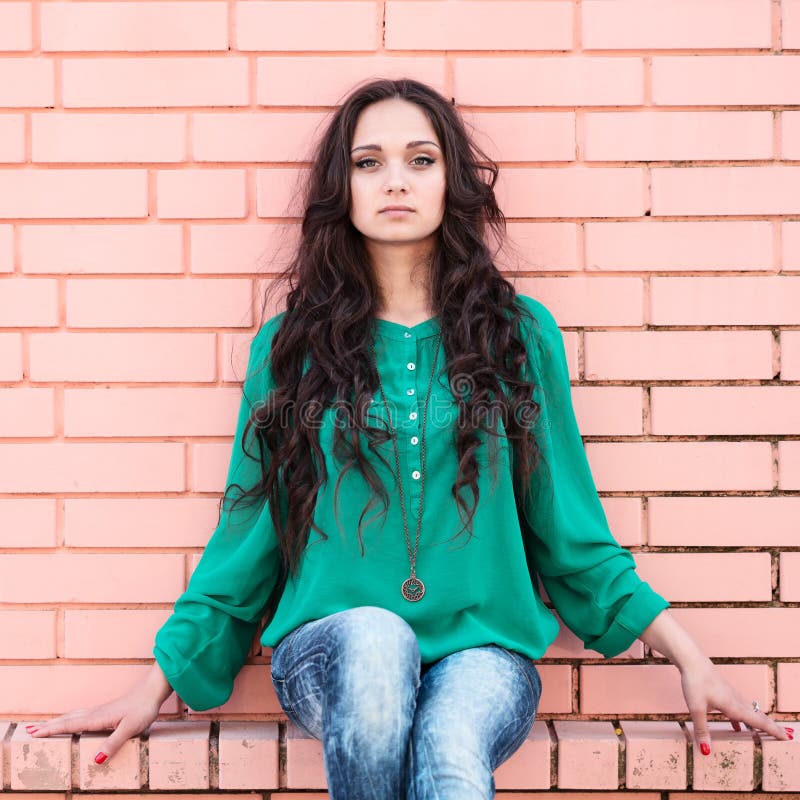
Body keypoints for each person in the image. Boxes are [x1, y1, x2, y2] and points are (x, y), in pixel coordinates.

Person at [27, 78, 792, 798]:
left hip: (483, 655)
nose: (396, 180)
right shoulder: (288, 349)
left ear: (449, 182)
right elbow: (249, 535)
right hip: (332, 653)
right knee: (376, 641)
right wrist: (156, 683)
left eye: (420, 160)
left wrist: (689, 656)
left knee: (452, 746)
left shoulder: (520, 341)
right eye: (370, 162)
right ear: (343, 189)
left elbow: (571, 532)